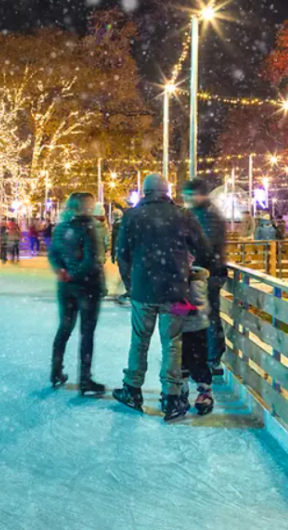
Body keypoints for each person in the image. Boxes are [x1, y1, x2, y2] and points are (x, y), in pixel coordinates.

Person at [113, 174, 211, 422]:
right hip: (175, 292)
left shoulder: (132, 217)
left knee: (139, 341)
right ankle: (172, 397)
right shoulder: (182, 215)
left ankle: (133, 390)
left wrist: (131, 285)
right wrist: (185, 267)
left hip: (143, 291)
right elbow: (203, 248)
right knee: (173, 343)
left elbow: (122, 255)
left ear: (144, 192)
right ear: (167, 192)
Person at [47, 192, 105, 395]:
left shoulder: (62, 226)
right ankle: (85, 380)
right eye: (91, 204)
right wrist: (75, 274)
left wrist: (62, 271)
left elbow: (54, 253)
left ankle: (56, 372)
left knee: (65, 327)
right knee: (86, 332)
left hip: (66, 287)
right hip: (87, 286)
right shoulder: (89, 227)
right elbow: (93, 259)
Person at [183, 178, 228, 377]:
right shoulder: (198, 213)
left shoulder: (209, 216)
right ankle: (199, 358)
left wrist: (190, 258)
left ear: (201, 195)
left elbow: (206, 247)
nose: (187, 198)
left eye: (191, 194)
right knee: (199, 315)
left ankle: (211, 358)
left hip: (209, 273)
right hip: (202, 272)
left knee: (208, 316)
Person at [178, 265, 214, 415]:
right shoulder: (173, 275)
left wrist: (192, 311)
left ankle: (205, 390)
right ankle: (181, 390)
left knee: (197, 360)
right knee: (179, 361)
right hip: (177, 326)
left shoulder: (196, 278)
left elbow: (202, 306)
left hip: (195, 327)